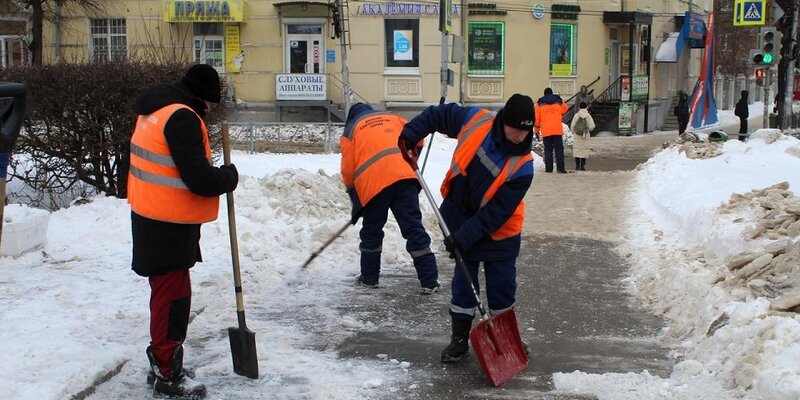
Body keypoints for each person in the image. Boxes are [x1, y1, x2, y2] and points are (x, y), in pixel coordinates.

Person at [128, 64, 239, 399]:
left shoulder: (156, 110)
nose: (208, 111)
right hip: (167, 222)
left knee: (166, 295)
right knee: (173, 299)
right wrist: (227, 178)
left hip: (152, 214)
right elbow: (199, 179)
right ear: (203, 97)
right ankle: (167, 371)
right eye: (209, 105)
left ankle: (162, 362)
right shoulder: (182, 117)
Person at [397, 93, 535, 363]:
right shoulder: (476, 120)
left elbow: (496, 214)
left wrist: (463, 237)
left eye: (526, 130)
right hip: (459, 215)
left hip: (500, 233)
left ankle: (504, 336)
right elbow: (439, 115)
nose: (521, 135)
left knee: (502, 287)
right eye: (516, 128)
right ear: (503, 120)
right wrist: (412, 133)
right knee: (464, 284)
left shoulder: (523, 167)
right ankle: (459, 338)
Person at [340, 103, 440, 294]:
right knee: (413, 227)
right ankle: (430, 280)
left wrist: (356, 199)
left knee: (372, 230)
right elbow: (418, 139)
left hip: (375, 185)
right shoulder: (394, 118)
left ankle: (369, 278)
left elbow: (348, 171)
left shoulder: (351, 129)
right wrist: (410, 159)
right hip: (404, 178)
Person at [535, 88, 569, 173]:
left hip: (546, 130)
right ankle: (560, 168)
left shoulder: (539, 104)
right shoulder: (557, 101)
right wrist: (561, 100)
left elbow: (537, 119)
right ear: (551, 93)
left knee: (548, 150)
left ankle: (549, 169)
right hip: (557, 129)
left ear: (544, 94)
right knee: (559, 150)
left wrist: (536, 130)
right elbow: (565, 109)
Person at [570, 102, 596, 171]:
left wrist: (573, 132)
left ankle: (577, 166)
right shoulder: (588, 116)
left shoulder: (576, 115)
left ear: (579, 107)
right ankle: (582, 166)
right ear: (586, 107)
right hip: (585, 135)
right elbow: (592, 126)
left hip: (577, 135)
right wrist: (587, 129)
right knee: (584, 151)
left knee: (577, 150)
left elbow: (572, 126)